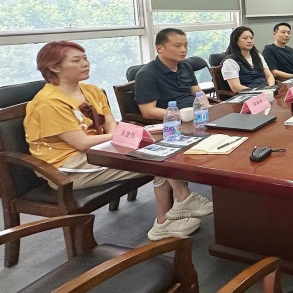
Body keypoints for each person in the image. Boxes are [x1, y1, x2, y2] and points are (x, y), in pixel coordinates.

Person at [25, 41, 212, 242]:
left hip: (99, 151)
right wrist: (126, 136)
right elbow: (82, 143)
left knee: (163, 150)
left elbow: (111, 125)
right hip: (68, 167)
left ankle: (169, 216)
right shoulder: (48, 103)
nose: (85, 64)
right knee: (158, 160)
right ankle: (172, 212)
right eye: (76, 60)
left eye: (85, 58)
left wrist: (125, 136)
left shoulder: (91, 91)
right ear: (54, 67)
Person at [135, 28, 202, 117]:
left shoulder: (186, 67)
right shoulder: (146, 74)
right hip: (174, 120)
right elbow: (148, 112)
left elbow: (198, 94)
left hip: (196, 115)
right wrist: (184, 115)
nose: (184, 50)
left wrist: (208, 108)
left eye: (185, 45)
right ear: (159, 48)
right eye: (177, 46)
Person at [222, 26, 275, 92]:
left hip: (266, 90)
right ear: (235, 40)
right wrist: (259, 91)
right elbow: (235, 87)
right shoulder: (230, 62)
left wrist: (270, 88)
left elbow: (269, 75)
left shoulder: (257, 55)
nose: (249, 41)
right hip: (250, 94)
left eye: (251, 38)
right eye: (245, 38)